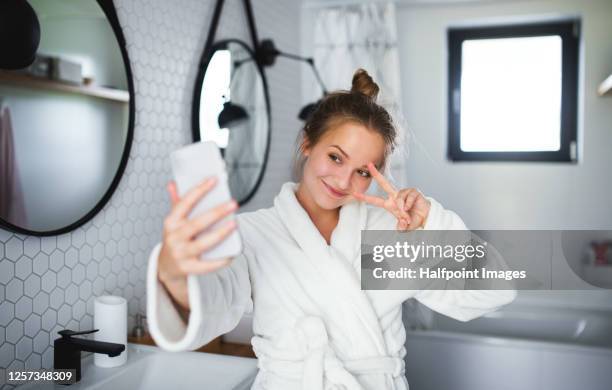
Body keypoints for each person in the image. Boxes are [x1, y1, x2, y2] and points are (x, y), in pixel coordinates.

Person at [146, 68, 516, 390]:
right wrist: (174, 271)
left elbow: (494, 289)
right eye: (335, 157)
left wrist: (432, 224)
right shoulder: (254, 233)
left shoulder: (389, 233)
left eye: (362, 171)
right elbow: (212, 305)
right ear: (308, 143)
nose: (342, 180)